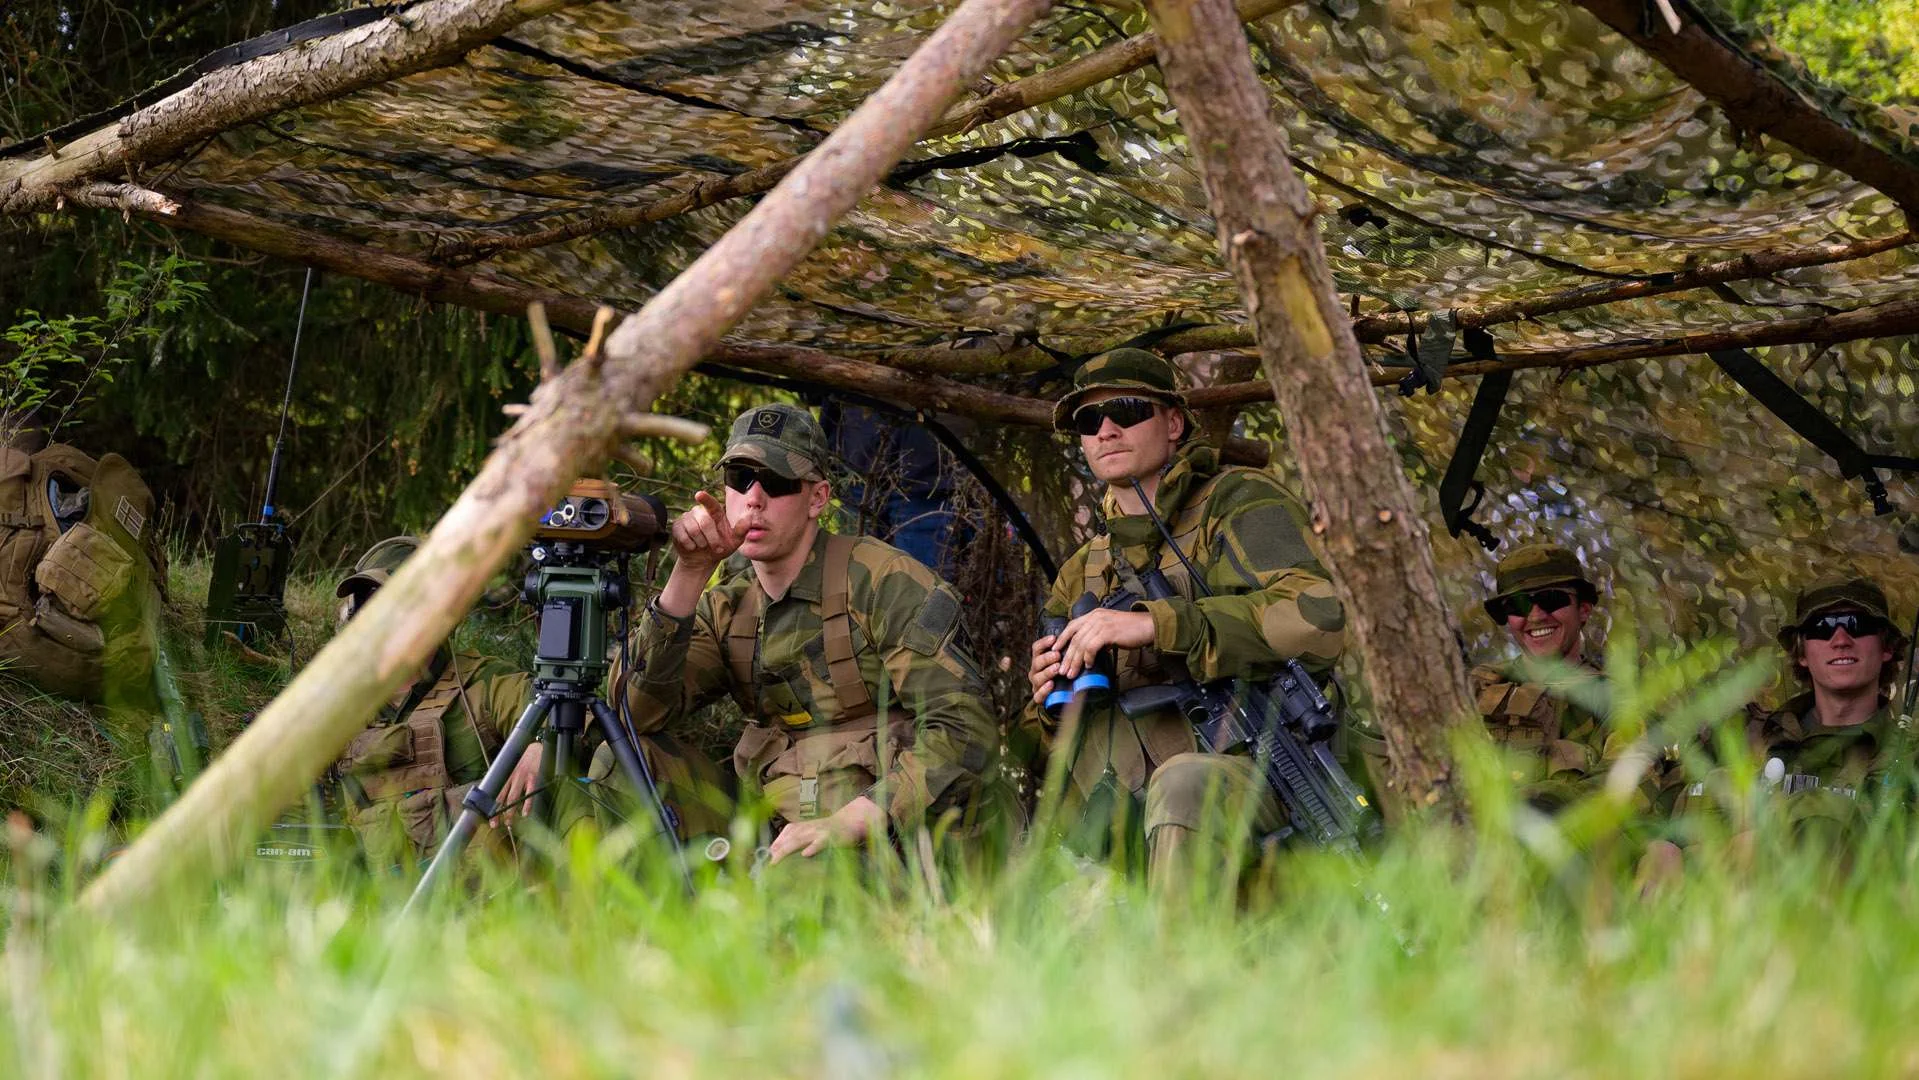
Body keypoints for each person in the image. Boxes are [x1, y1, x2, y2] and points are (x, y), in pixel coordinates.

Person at [614, 403, 999, 865]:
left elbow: (965, 728)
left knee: (806, 885)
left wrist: (853, 820)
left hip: (885, 830)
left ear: (817, 499)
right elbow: (632, 718)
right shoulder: (728, 606)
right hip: (773, 821)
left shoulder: (885, 582)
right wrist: (689, 573)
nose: (753, 499)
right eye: (740, 478)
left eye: (775, 483)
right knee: (615, 759)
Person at [1023, 348, 1346, 886]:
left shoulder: (1237, 502)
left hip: (1251, 772)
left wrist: (1158, 624)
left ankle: (1179, 970)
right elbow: (1052, 744)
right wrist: (1050, 703)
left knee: (1183, 784)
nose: (1105, 429)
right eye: (1087, 420)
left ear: (1173, 423)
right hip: (1119, 811)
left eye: (1126, 410)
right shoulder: (1084, 569)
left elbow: (1318, 616)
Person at [329, 537, 530, 870]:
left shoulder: (484, 684)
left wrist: (539, 745)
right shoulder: (339, 708)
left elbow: (564, 716)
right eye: (369, 605)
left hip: (483, 900)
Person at [1748, 577, 1914, 838]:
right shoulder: (1753, 743)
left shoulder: (1908, 758)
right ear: (1801, 652)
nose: (1840, 639)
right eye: (1822, 627)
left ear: (1887, 647)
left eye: (1856, 625)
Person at [1471, 542, 1614, 813]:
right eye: (1518, 605)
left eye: (1552, 599)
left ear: (1583, 610)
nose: (1535, 616)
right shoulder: (1477, 688)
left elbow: (1623, 786)